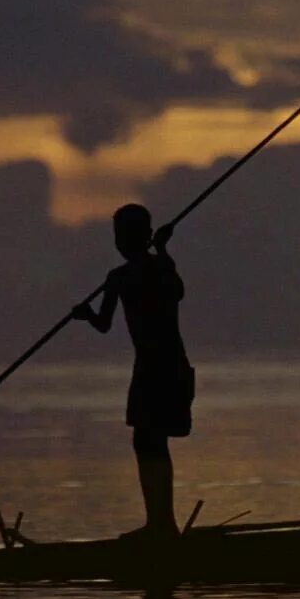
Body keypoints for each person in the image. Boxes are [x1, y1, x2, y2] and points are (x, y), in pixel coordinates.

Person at [71, 203, 195, 540]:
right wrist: (86, 315)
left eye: (123, 234)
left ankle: (161, 524)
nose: (119, 241)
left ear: (138, 236)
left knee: (151, 440)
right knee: (148, 442)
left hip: (165, 367)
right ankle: (160, 522)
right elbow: (104, 323)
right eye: (117, 234)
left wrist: (163, 250)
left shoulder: (135, 274)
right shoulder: (130, 274)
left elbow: (175, 292)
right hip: (154, 367)